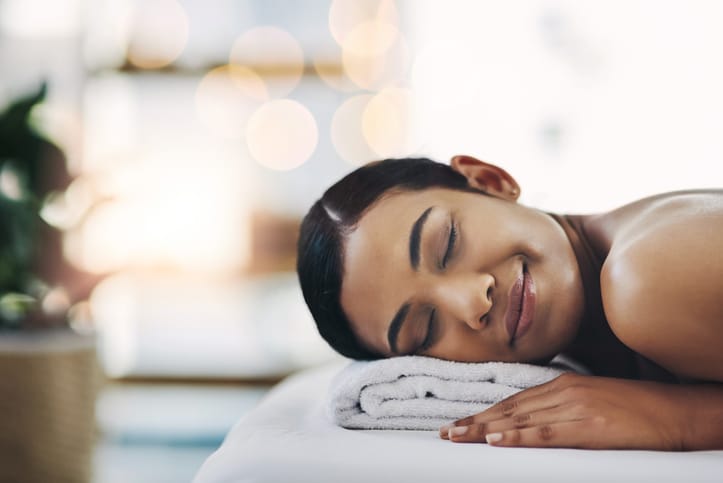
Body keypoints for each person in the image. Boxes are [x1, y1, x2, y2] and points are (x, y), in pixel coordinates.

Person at [296, 155, 723, 450]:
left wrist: (682, 421)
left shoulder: (643, 277)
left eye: (448, 243)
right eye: (425, 329)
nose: (471, 302)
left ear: (489, 180)